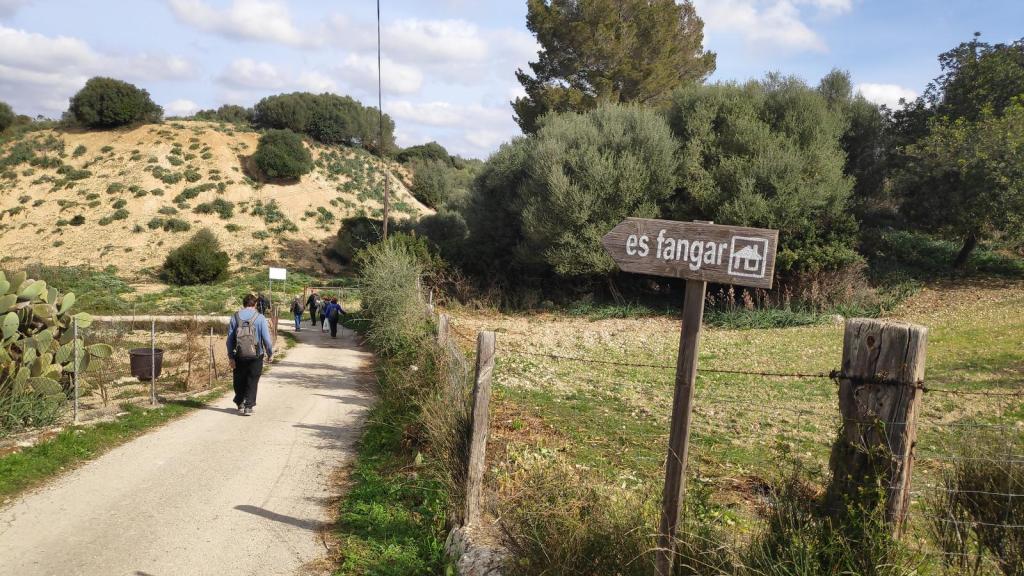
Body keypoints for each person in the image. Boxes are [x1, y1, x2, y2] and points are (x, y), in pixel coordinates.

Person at [226, 293, 274, 416]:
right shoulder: (260, 317)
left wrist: (231, 356)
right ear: (255, 304)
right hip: (256, 354)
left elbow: (230, 340)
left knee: (239, 379)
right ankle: (249, 406)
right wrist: (270, 353)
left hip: (239, 354)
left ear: (243, 304)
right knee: (252, 380)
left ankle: (239, 402)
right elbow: (266, 339)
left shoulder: (235, 317)